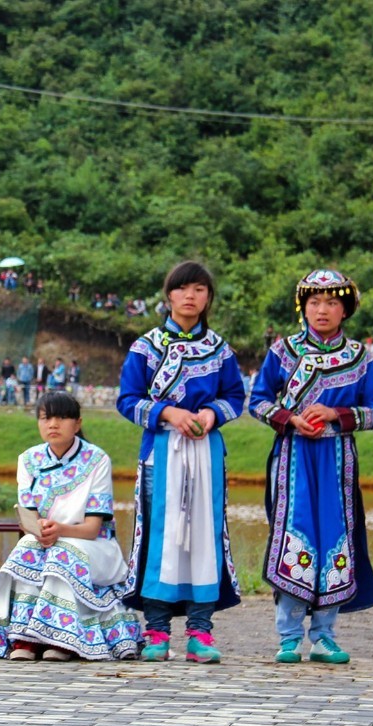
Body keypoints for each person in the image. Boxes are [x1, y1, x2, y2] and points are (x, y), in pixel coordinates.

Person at [251, 270, 373, 664]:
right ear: (303, 308)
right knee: (294, 536)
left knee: (335, 541)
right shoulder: (283, 351)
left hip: (337, 459)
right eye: (314, 302)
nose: (321, 310)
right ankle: (289, 635)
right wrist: (291, 419)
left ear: (345, 310)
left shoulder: (361, 356)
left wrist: (334, 413)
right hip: (292, 456)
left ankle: (325, 635)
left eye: (330, 303)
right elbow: (258, 401)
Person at [117, 261, 245, 664]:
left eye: (200, 289)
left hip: (206, 455)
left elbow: (235, 398)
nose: (191, 296)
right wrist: (168, 414)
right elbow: (127, 400)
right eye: (183, 288)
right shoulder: (145, 347)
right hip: (161, 453)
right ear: (169, 295)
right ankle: (156, 631)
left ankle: (200, 633)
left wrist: (210, 415)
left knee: (203, 540)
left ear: (208, 298)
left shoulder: (220, 350)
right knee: (161, 537)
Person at [0, 392, 140, 661]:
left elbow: (92, 528)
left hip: (94, 544)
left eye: (61, 417)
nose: (53, 424)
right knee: (26, 549)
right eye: (46, 418)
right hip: (47, 538)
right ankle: (25, 638)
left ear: (77, 424)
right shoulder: (29, 460)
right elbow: (28, 516)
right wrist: (39, 531)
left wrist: (59, 531)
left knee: (61, 554)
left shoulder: (96, 460)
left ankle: (64, 641)